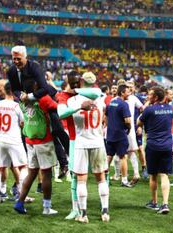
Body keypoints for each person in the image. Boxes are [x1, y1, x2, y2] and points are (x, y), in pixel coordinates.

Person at [7, 44, 69, 178]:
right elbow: (15, 89)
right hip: (29, 103)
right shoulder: (11, 71)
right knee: (46, 133)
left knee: (57, 129)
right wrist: (21, 96)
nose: (16, 61)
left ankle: (70, 156)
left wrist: (29, 96)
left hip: (45, 98)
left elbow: (44, 88)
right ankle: (62, 163)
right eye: (14, 59)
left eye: (19, 59)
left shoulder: (34, 67)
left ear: (25, 57)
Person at [56, 71, 104, 220]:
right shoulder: (63, 96)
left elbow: (98, 92)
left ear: (81, 82)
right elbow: (61, 114)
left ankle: (104, 208)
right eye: (73, 82)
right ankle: (75, 208)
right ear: (68, 82)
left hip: (91, 138)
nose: (76, 84)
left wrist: (76, 91)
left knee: (101, 173)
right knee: (76, 174)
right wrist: (79, 106)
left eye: (78, 82)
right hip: (74, 138)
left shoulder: (87, 92)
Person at [67, 72, 109, 223]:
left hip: (81, 142)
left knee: (81, 180)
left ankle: (83, 214)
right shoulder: (101, 99)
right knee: (101, 178)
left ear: (81, 80)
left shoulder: (73, 100)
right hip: (98, 141)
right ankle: (105, 212)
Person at [14, 79, 57, 215]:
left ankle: (20, 202)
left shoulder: (22, 100)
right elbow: (58, 108)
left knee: (32, 172)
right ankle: (46, 208)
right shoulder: (43, 99)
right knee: (46, 174)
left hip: (30, 139)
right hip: (43, 140)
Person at [0, 81, 28, 204]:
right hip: (15, 140)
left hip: (1, 140)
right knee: (23, 167)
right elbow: (22, 123)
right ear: (12, 91)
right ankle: (22, 196)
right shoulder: (16, 106)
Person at [137, 86, 173, 214]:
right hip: (167, 145)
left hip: (153, 145)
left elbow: (138, 122)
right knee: (164, 175)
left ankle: (154, 202)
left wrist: (146, 106)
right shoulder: (170, 109)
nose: (148, 96)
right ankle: (165, 204)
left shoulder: (149, 110)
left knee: (153, 175)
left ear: (156, 97)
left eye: (150, 95)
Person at [105, 84, 132, 187]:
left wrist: (109, 127)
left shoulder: (111, 103)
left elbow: (105, 117)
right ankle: (124, 181)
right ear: (122, 93)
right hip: (120, 134)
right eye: (127, 92)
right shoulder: (124, 104)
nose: (129, 94)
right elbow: (127, 120)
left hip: (110, 134)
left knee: (109, 156)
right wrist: (128, 128)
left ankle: (104, 179)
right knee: (123, 157)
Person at [125, 81, 144, 185]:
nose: (129, 89)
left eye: (131, 87)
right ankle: (120, 174)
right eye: (127, 87)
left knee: (131, 151)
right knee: (117, 153)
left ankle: (136, 173)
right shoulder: (119, 99)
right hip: (119, 129)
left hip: (130, 129)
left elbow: (142, 109)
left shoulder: (133, 98)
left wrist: (140, 124)